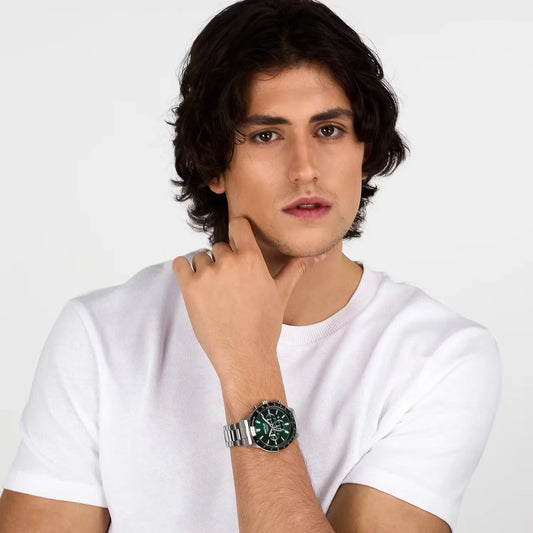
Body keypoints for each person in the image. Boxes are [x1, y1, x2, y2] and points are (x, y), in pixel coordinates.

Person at [0, 1, 502, 532]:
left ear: (365, 149)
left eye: (329, 130)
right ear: (213, 164)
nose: (305, 169)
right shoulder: (102, 333)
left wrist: (249, 365)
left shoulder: (440, 357)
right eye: (267, 135)